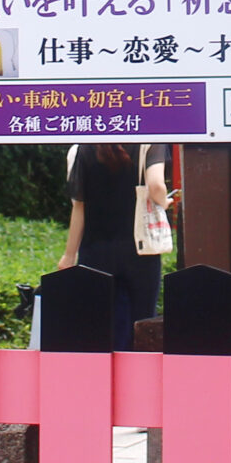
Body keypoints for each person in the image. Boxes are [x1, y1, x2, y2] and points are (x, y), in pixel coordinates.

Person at [58, 143, 169, 349]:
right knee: (142, 326)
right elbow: (156, 186)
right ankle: (138, 378)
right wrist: (164, 202)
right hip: (140, 251)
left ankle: (103, 378)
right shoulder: (150, 142)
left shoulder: (82, 148)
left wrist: (68, 255)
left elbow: (79, 207)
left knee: (98, 329)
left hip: (95, 251)